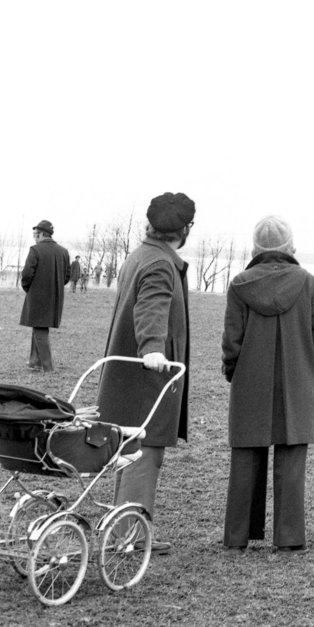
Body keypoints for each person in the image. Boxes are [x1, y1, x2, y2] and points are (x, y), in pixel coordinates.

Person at [222, 215, 314, 554]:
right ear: (289, 247)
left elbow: (232, 342)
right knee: (292, 455)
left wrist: (234, 373)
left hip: (249, 379)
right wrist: (306, 370)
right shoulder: (308, 282)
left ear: (256, 248)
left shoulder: (240, 284)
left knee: (245, 457)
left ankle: (237, 536)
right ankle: (289, 536)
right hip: (297, 380)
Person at [96, 192, 195, 554]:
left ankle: (123, 528)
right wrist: (153, 349)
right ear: (186, 229)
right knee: (143, 451)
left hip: (125, 374)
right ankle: (130, 537)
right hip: (145, 376)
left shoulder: (140, 254)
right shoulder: (159, 264)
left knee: (130, 450)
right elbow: (151, 307)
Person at [19, 220, 71, 372]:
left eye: (35, 235)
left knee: (40, 330)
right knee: (39, 327)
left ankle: (47, 367)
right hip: (55, 298)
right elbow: (66, 277)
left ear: (41, 234)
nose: (34, 238)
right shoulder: (64, 251)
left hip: (37, 297)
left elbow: (27, 274)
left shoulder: (35, 250)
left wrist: (28, 288)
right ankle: (35, 361)